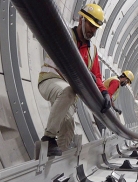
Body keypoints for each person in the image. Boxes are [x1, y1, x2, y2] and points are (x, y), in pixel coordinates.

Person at [38, 4, 111, 156]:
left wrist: (104, 92)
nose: (93, 31)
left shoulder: (93, 50)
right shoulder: (64, 35)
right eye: (91, 25)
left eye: (96, 28)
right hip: (50, 79)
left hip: (69, 93)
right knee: (69, 91)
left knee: (68, 125)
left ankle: (55, 162)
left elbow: (96, 75)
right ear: (81, 19)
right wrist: (84, 73)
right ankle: (48, 138)